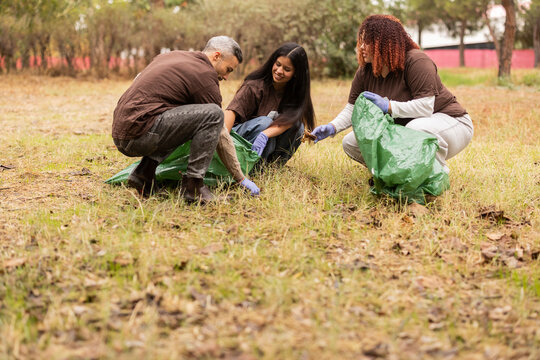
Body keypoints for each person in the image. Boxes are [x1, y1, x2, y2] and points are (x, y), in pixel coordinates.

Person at [311, 15, 473, 175]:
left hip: (450, 122)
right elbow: (352, 108)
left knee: (416, 130)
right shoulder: (365, 71)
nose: (361, 46)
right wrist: (332, 127)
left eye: (368, 41)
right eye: (361, 40)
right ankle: (393, 175)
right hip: (408, 128)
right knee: (352, 142)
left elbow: (426, 107)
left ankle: (435, 176)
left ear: (384, 43)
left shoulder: (416, 61)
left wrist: (388, 106)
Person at [112, 36, 258, 203]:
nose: (226, 77)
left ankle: (144, 174)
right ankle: (194, 187)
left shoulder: (173, 57)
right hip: (140, 135)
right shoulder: (204, 74)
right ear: (216, 56)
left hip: (122, 131)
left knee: (184, 115)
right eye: (228, 69)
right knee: (214, 114)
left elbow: (140, 78)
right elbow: (220, 131)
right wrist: (240, 177)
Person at [223, 42, 315, 166]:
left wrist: (265, 134)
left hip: (266, 138)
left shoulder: (296, 93)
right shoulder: (254, 86)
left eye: (287, 69)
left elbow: (290, 119)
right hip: (238, 140)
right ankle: (250, 166)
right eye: (277, 64)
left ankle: (271, 166)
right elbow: (230, 112)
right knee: (265, 123)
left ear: (296, 74)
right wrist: (221, 144)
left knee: (298, 127)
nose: (279, 71)